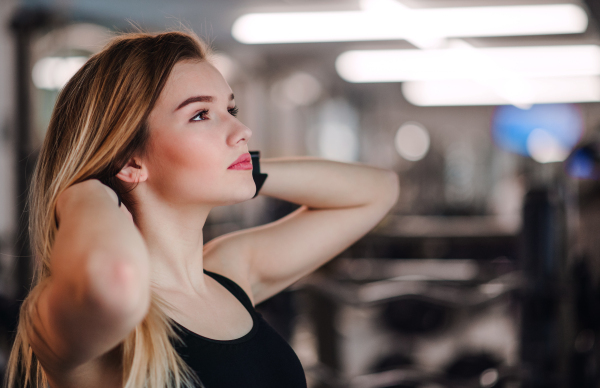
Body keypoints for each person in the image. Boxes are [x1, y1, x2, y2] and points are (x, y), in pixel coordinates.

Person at [5, 30, 399, 388]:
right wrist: (82, 192)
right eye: (200, 115)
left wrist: (244, 168)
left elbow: (378, 190)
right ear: (130, 161)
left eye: (231, 110)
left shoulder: (231, 273)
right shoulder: (66, 320)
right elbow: (117, 285)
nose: (241, 132)